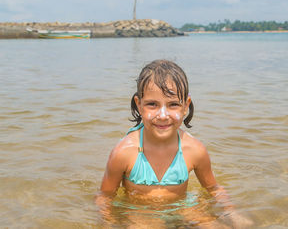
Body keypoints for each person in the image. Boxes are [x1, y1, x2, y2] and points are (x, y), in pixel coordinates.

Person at [97, 59, 253, 227]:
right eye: (152, 104)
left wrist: (231, 212)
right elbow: (105, 197)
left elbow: (213, 188)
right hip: (140, 212)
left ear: (185, 106)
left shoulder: (194, 150)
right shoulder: (124, 152)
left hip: (183, 207)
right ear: (139, 104)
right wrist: (108, 223)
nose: (163, 115)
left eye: (173, 105)